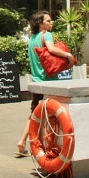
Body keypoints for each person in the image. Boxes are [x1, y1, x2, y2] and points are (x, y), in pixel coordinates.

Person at [16, 11, 74, 157]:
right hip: (49, 81)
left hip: (37, 81)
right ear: (41, 24)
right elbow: (51, 49)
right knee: (52, 115)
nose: (51, 22)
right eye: (48, 20)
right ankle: (44, 143)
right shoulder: (46, 35)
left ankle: (23, 141)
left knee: (35, 113)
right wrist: (68, 55)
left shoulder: (32, 39)